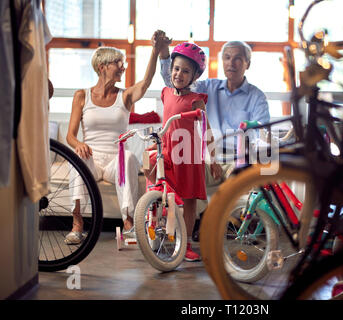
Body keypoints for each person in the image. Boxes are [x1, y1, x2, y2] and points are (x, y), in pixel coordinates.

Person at [65, 31, 167, 245]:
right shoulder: (82, 96)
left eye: (124, 64)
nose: (123, 67)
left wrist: (155, 52)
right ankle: (77, 224)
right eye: (118, 63)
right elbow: (70, 136)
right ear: (102, 67)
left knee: (129, 156)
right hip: (90, 158)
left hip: (115, 161)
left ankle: (128, 223)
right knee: (76, 157)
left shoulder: (125, 96)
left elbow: (146, 82)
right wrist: (79, 144)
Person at [157, 35, 271, 221]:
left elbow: (260, 132)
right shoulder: (206, 87)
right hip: (208, 157)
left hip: (238, 158)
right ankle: (203, 218)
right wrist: (163, 54)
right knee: (183, 174)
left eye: (237, 58)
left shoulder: (257, 96)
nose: (231, 63)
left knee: (248, 177)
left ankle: (237, 223)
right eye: (226, 57)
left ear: (247, 63)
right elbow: (175, 82)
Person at [144, 41, 217, 262]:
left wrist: (212, 159)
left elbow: (207, 130)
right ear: (170, 70)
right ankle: (152, 220)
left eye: (186, 71)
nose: (179, 74)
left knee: (190, 201)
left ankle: (185, 244)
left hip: (188, 155)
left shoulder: (196, 100)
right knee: (151, 172)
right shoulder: (166, 92)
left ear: (194, 77)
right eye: (176, 69)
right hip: (166, 150)